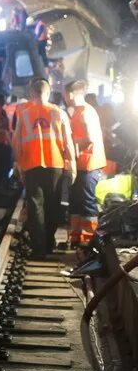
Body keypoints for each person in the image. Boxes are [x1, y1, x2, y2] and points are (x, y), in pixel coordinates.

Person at [12, 78, 76, 257]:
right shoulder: (59, 113)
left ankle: (39, 249)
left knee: (35, 207)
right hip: (55, 165)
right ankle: (49, 243)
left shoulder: (23, 113)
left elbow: (16, 141)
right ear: (48, 93)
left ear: (31, 94)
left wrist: (18, 163)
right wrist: (72, 164)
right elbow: (68, 142)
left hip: (31, 165)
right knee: (53, 205)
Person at [66, 79, 107, 246]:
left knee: (86, 202)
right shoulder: (79, 111)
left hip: (88, 164)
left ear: (70, 94)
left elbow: (89, 138)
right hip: (82, 164)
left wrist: (72, 149)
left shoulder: (84, 113)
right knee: (76, 202)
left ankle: (89, 240)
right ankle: (77, 237)